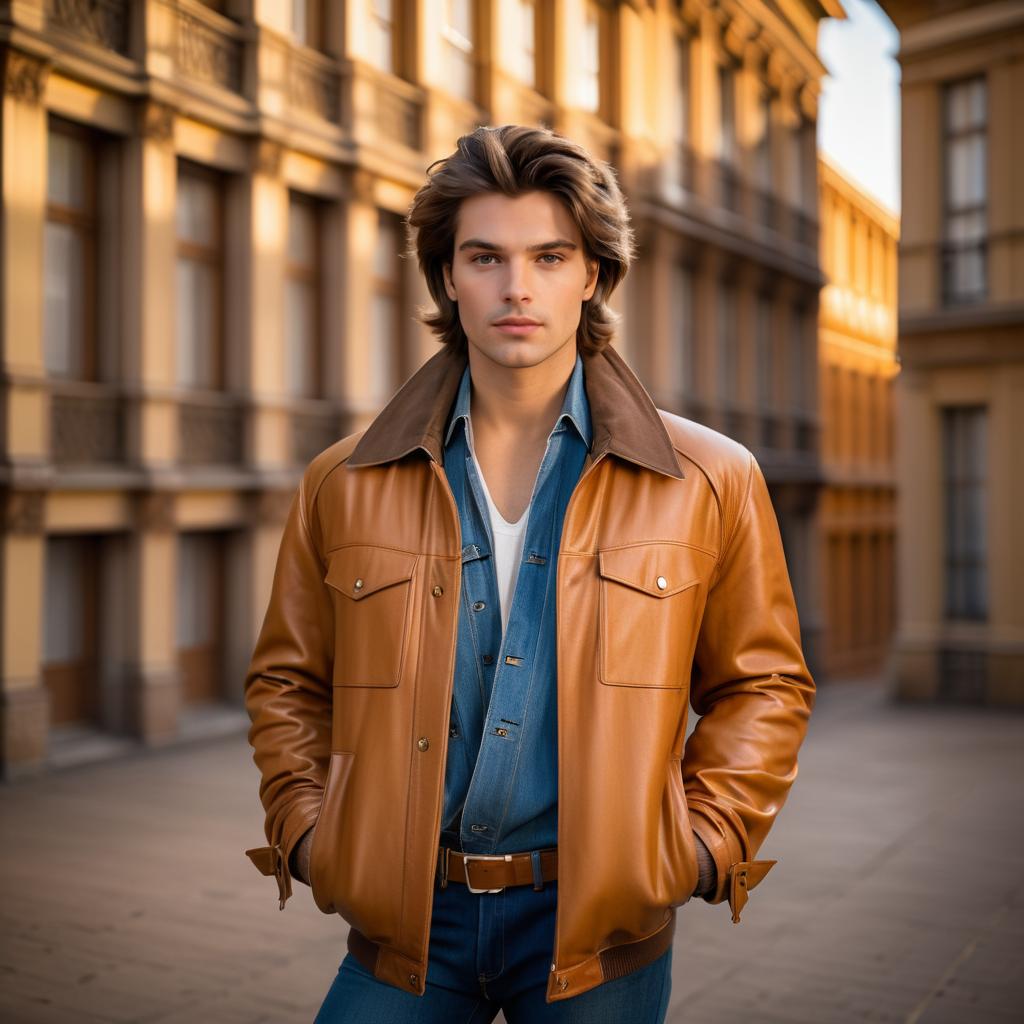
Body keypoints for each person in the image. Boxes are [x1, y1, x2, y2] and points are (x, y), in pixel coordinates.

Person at [243, 124, 815, 1023]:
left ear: (592, 275)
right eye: (485, 257)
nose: (517, 287)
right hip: (406, 928)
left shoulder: (711, 478)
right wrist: (313, 835)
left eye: (550, 255)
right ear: (446, 277)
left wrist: (701, 845)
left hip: (598, 935)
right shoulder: (342, 481)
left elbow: (766, 684)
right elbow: (286, 681)